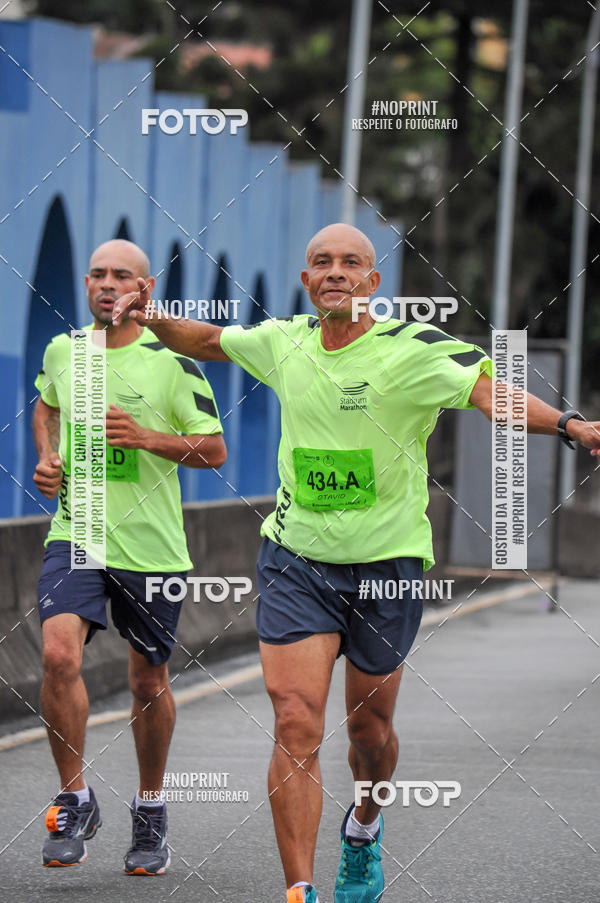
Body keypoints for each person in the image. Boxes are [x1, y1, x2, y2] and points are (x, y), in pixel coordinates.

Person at [113, 223, 600, 902]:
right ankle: (301, 889)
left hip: (385, 567)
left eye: (351, 263)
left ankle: (365, 825)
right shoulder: (283, 342)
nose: (335, 271)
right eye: (321, 263)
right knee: (294, 721)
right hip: (296, 560)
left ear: (373, 283)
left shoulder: (414, 349)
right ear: (307, 281)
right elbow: (203, 340)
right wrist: (149, 315)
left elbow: (496, 398)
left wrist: (572, 425)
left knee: (369, 734)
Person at [33, 238, 226, 874]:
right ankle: (76, 797)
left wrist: (147, 438)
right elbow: (46, 404)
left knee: (148, 679)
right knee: (58, 654)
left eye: (123, 276)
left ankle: (150, 811)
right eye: (97, 275)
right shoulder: (65, 351)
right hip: (78, 530)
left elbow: (213, 450)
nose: (107, 284)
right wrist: (48, 455)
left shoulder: (173, 362)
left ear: (144, 289)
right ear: (86, 285)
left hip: (151, 547)